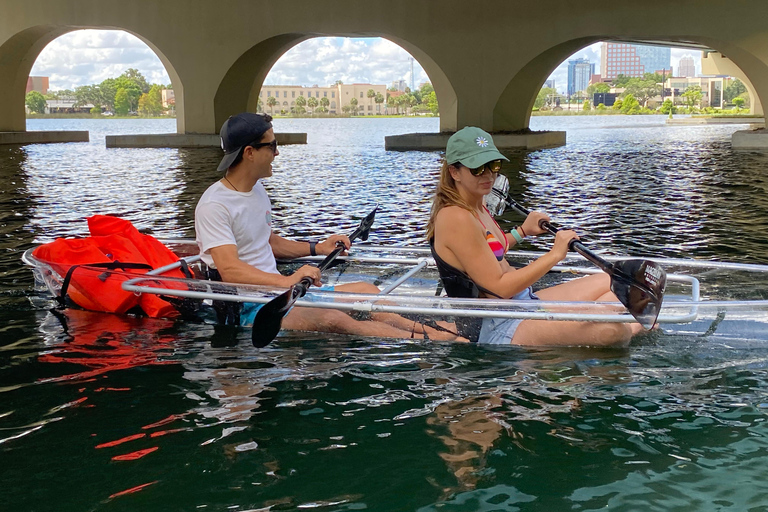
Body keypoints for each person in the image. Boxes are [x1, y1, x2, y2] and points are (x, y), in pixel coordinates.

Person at [195, 112, 459, 340]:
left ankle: (429, 328)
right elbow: (229, 269)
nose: (277, 152)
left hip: (283, 292)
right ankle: (429, 340)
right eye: (272, 145)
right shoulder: (214, 205)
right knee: (335, 319)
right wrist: (286, 280)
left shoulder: (257, 191)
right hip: (250, 307)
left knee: (366, 291)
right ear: (250, 153)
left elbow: (267, 240)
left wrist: (318, 247)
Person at [426, 126, 645, 347]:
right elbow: (500, 287)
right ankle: (620, 328)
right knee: (612, 331)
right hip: (497, 323)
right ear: (454, 172)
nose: (488, 174)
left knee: (615, 283)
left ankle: (600, 324)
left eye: (493, 165)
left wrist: (522, 231)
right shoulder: (455, 217)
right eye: (477, 168)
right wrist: (554, 255)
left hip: (522, 302)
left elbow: (488, 252)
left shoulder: (477, 203)